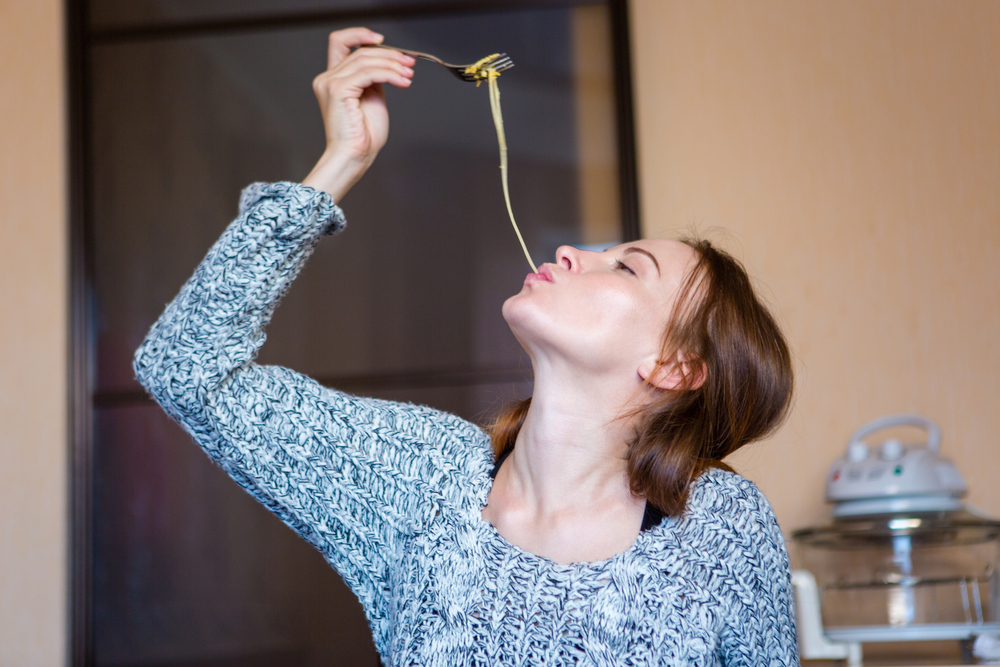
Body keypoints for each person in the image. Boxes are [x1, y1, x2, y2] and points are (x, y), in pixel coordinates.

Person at [134, 27, 798, 666]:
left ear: (675, 366)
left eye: (626, 267)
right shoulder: (417, 479)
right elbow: (185, 367)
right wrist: (341, 159)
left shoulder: (721, 525)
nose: (572, 251)